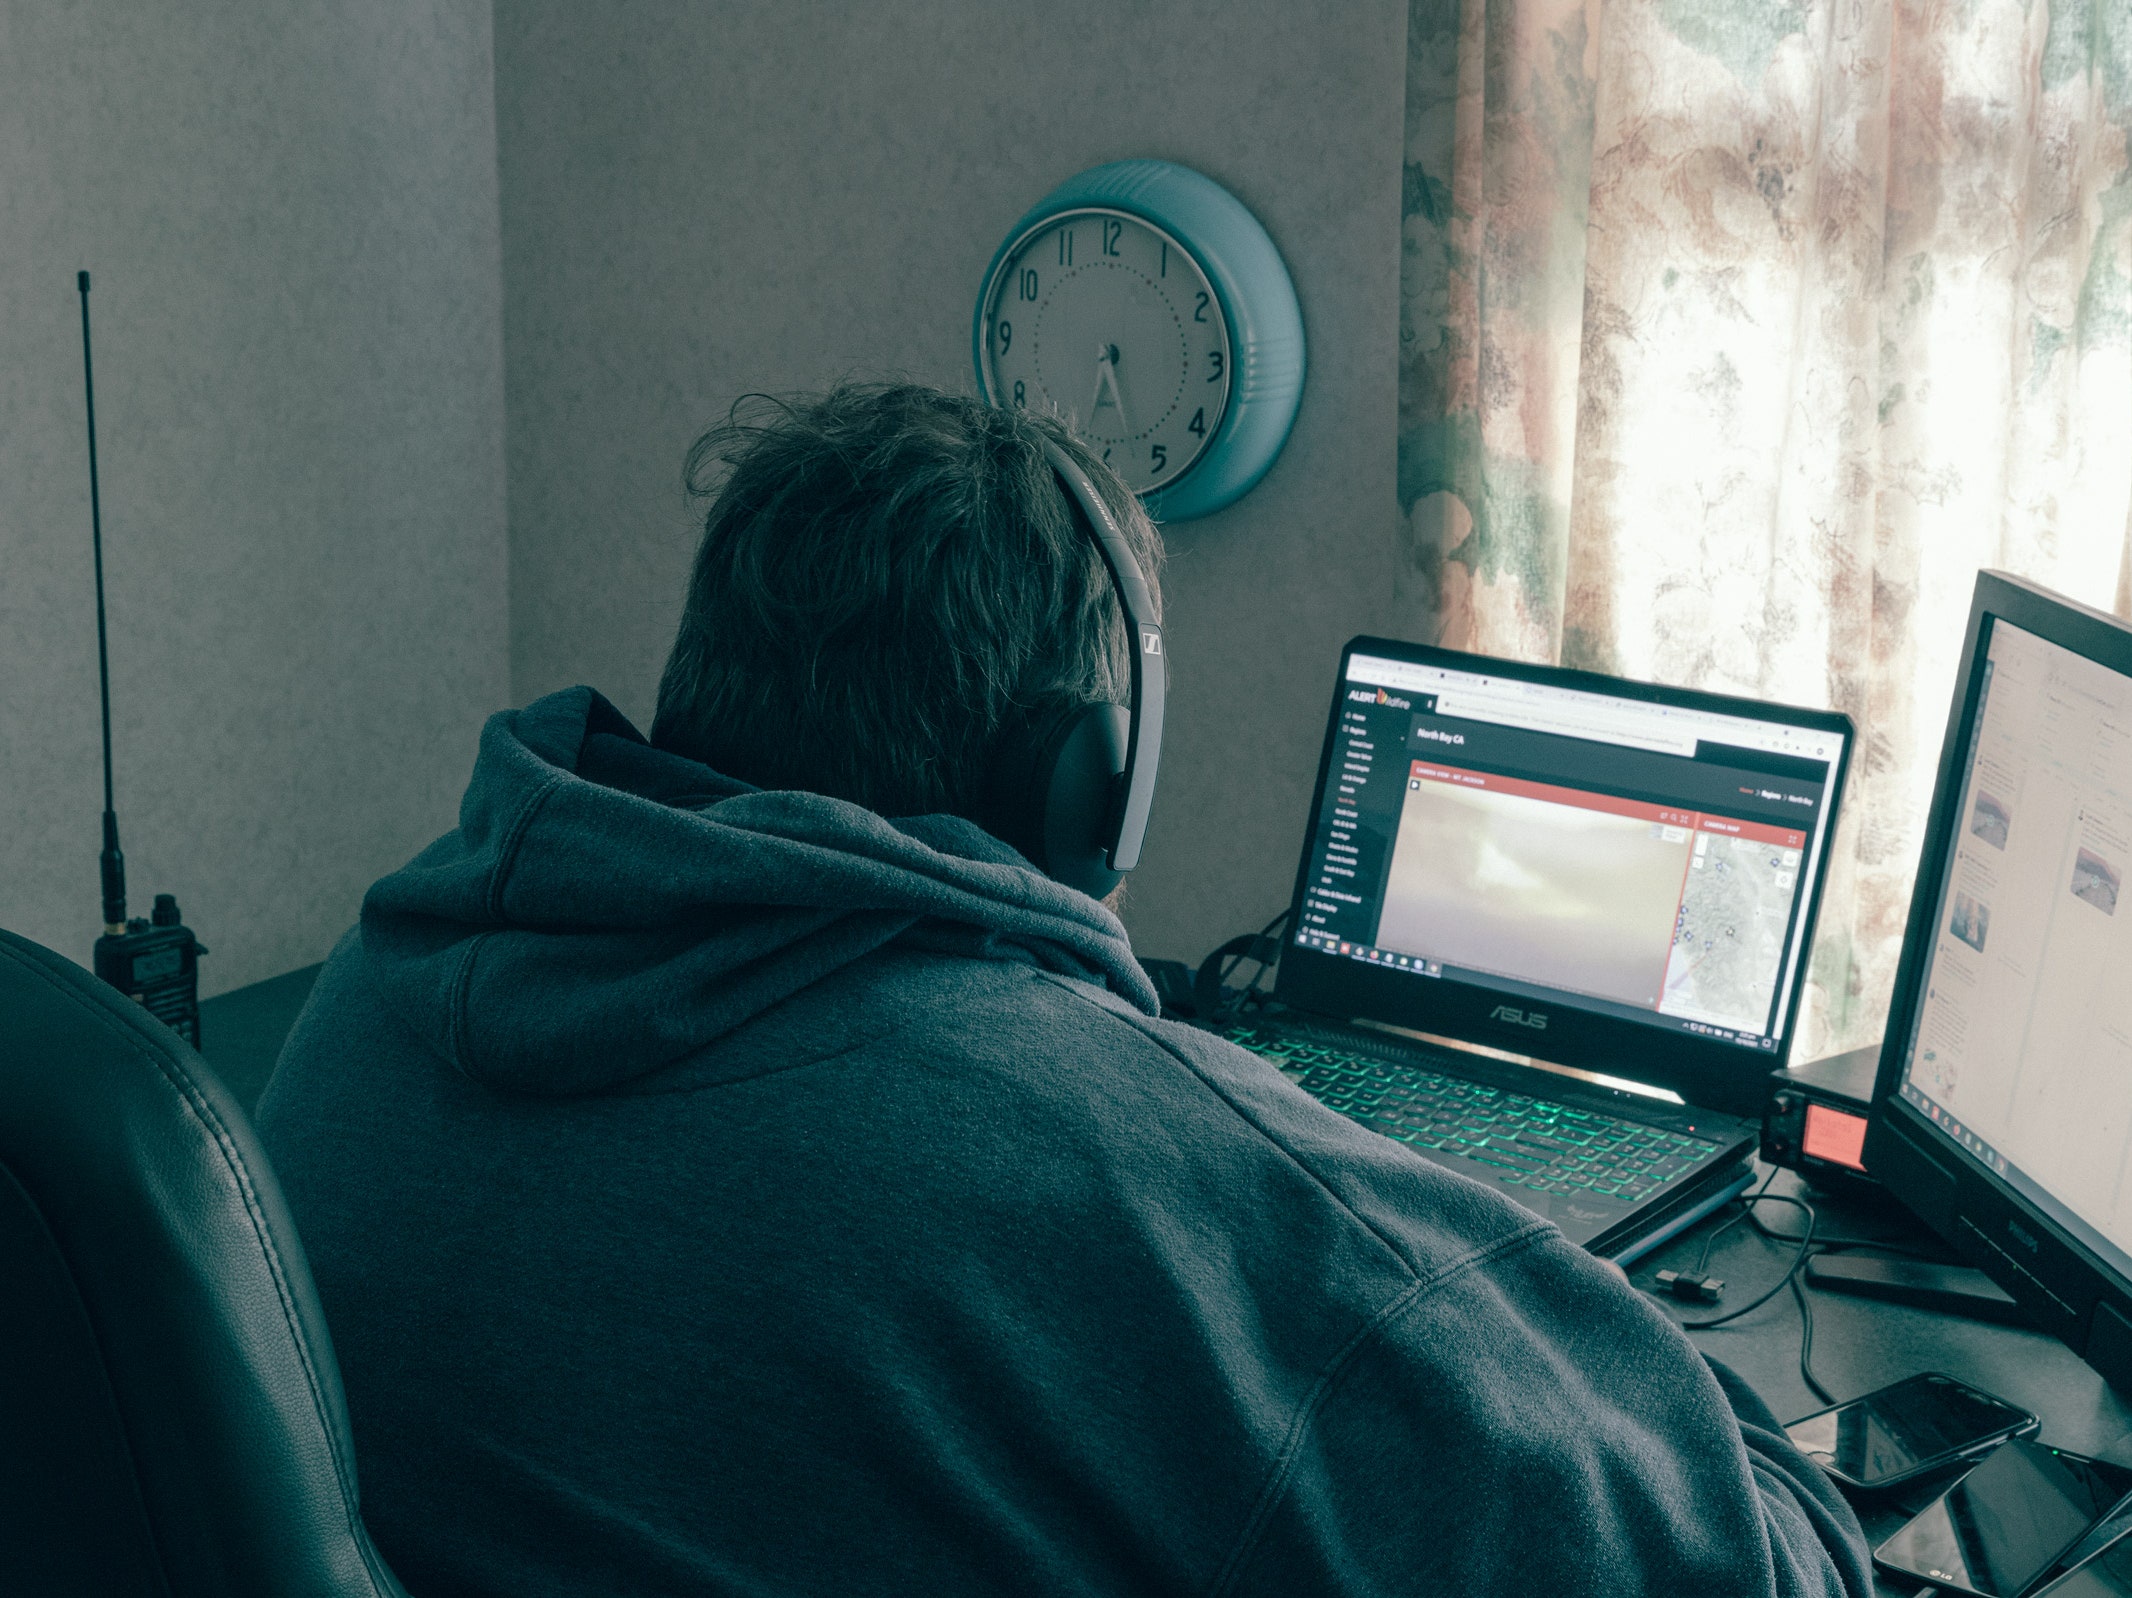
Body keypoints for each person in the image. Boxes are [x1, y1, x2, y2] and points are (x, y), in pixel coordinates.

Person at [257, 384, 1872, 1596]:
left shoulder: (367, 997)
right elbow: (1755, 1568)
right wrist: (1524, 1291)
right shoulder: (1141, 1185)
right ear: (1081, 783)